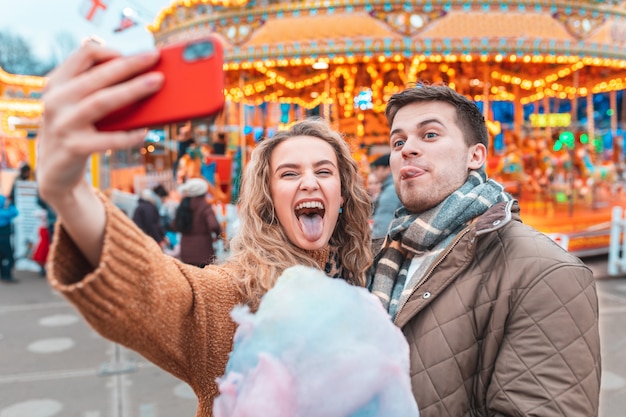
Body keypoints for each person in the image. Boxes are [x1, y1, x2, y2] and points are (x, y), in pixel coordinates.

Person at [36, 42, 372, 417]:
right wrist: (70, 193)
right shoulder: (237, 298)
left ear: (342, 193)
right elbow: (161, 292)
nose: (309, 182)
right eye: (290, 173)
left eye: (323, 171)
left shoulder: (372, 277)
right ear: (269, 200)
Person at [368, 84, 601, 416]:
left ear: (475, 156)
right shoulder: (380, 258)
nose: (408, 149)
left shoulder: (545, 274)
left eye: (430, 135)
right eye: (398, 141)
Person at [172, 177, 221, 268]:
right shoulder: (205, 205)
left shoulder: (183, 205)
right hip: (203, 251)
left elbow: (174, 225)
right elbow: (214, 225)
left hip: (186, 251)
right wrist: (218, 235)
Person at [369, 153, 402, 239]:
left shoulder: (391, 191)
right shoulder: (395, 186)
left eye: (377, 169)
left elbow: (382, 228)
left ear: (387, 169)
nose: (375, 172)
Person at [0, 194, 18, 283]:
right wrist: (9, 205)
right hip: (4, 238)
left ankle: (3, 275)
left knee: (1, 258)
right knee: (9, 257)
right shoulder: (5, 213)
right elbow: (15, 212)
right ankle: (7, 276)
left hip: (4, 237)